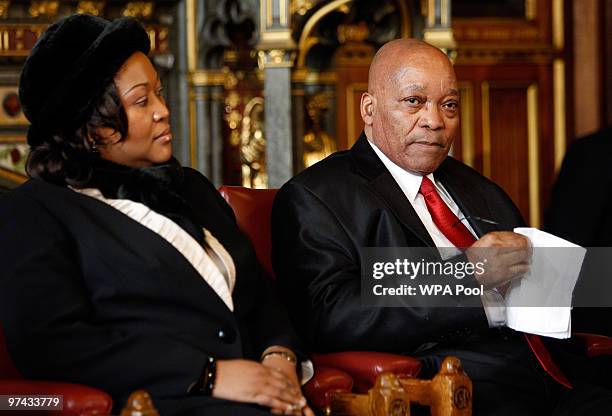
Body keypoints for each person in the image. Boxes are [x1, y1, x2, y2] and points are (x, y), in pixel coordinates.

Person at [272, 38, 612, 414]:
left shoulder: (479, 189)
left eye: (449, 105)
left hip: (554, 364)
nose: (435, 120)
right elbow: (331, 314)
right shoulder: (317, 196)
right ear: (369, 108)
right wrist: (465, 274)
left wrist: (579, 279)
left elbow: (536, 287)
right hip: (453, 378)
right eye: (414, 102)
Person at [0, 14, 313, 416]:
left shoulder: (191, 187)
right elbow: (53, 343)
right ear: (89, 126)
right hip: (157, 401)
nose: (164, 111)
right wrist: (209, 375)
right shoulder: (33, 212)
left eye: (161, 94)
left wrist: (279, 358)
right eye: (142, 101)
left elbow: (262, 296)